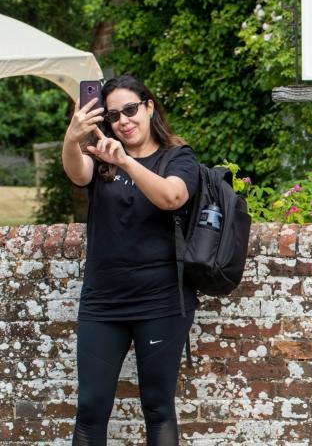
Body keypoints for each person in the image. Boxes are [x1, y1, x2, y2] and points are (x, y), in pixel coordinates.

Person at [62, 75, 200, 446]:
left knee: (157, 407)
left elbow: (172, 197)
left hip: (162, 300)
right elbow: (77, 173)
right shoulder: (101, 158)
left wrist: (126, 162)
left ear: (149, 106)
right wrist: (74, 138)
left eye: (130, 110)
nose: (123, 121)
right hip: (103, 302)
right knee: (90, 408)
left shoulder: (177, 157)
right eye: (113, 116)